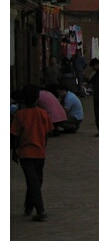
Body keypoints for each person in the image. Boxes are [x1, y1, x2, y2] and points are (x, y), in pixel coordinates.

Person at [11, 84, 54, 221]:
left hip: (26, 153)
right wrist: (43, 146)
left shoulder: (20, 115)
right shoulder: (42, 113)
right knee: (36, 180)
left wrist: (14, 151)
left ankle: (30, 206)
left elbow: (15, 135)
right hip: (39, 152)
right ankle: (40, 211)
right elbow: (48, 132)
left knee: (33, 181)